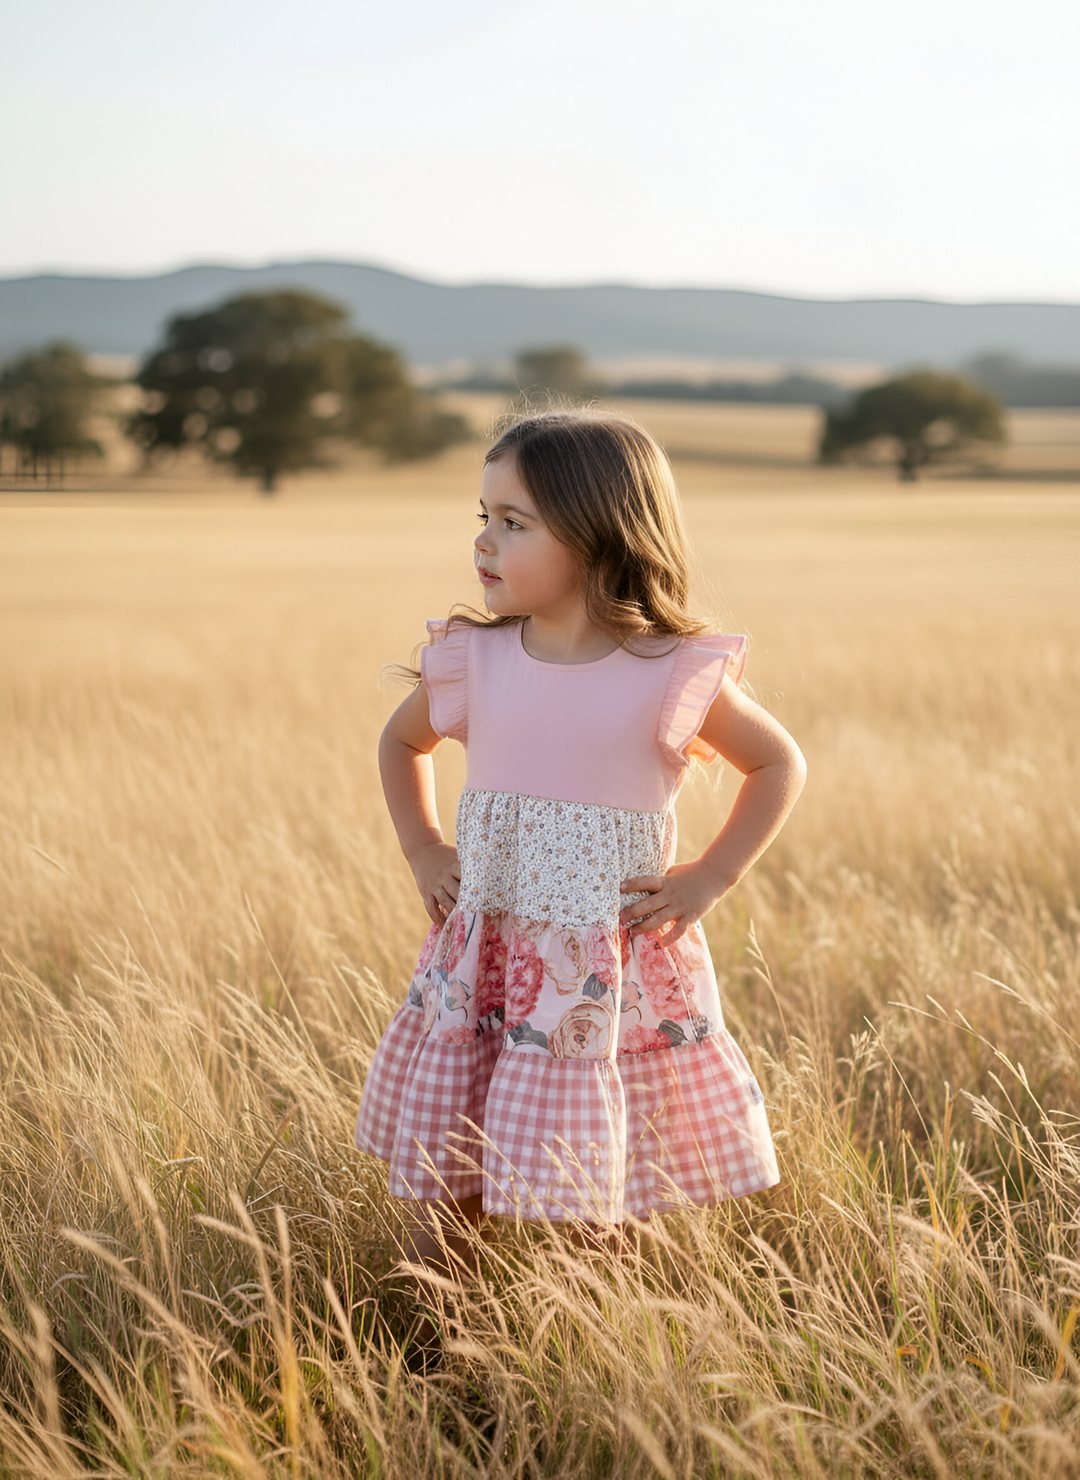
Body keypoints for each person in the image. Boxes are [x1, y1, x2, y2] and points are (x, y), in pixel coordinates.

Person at [355, 408, 806, 1267]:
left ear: (600, 533)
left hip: (605, 969)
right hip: (489, 953)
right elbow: (399, 742)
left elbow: (778, 765)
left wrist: (710, 876)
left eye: (513, 523)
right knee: (450, 1185)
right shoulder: (474, 661)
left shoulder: (670, 670)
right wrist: (422, 847)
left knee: (598, 1190)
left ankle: (586, 1346)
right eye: (482, 519)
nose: (484, 543)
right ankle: (440, 1349)